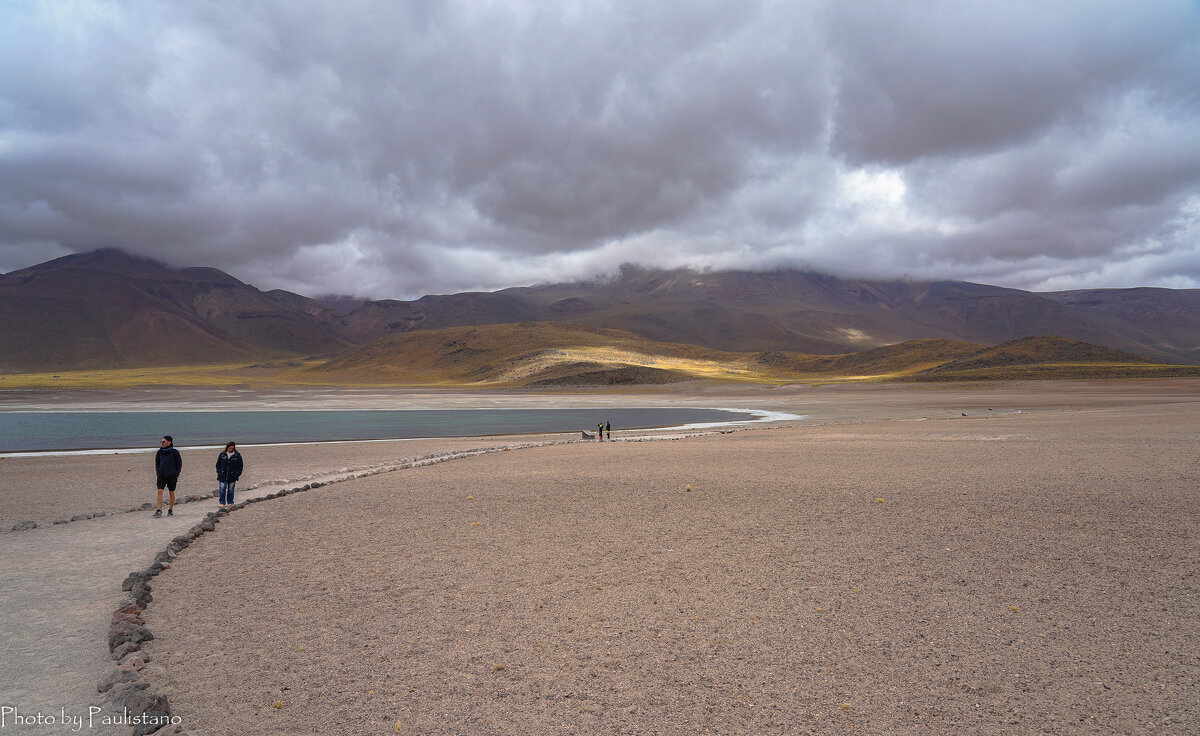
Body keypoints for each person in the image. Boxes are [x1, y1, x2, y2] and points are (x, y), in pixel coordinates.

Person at [154, 435, 182, 517]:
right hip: (161, 475)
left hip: (172, 476)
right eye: (161, 442)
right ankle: (159, 510)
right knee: (159, 491)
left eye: (164, 442)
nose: (162, 443)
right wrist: (158, 473)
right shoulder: (159, 452)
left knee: (171, 492)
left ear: (169, 442)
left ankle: (170, 509)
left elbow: (179, 464)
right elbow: (157, 463)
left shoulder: (175, 452)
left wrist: (176, 474)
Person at [216, 441, 244, 511]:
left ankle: (230, 502)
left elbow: (240, 465)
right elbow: (218, 464)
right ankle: (222, 502)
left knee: (231, 490)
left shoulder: (237, 455)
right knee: (222, 489)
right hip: (222, 475)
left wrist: (238, 474)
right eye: (229, 448)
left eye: (232, 448)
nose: (230, 449)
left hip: (232, 475)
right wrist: (219, 472)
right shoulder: (222, 454)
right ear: (227, 447)